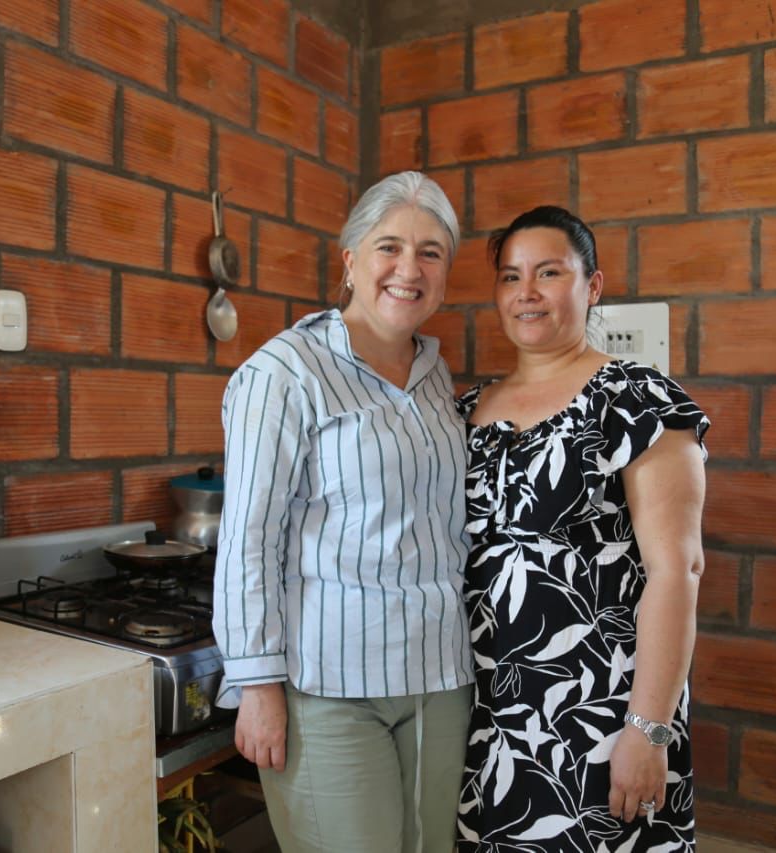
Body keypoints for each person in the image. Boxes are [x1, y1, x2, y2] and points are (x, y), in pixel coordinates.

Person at [213, 171, 474, 853]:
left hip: (438, 681)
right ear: (351, 260)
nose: (408, 269)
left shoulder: (436, 376)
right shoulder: (285, 372)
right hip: (328, 686)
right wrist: (257, 685)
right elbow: (249, 538)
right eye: (389, 246)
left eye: (430, 252)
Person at [455, 206, 708, 851]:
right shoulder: (459, 412)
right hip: (487, 719)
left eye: (548, 273)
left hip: (601, 714)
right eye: (510, 278)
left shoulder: (636, 400)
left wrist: (648, 730)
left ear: (592, 286)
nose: (527, 293)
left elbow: (676, 573)